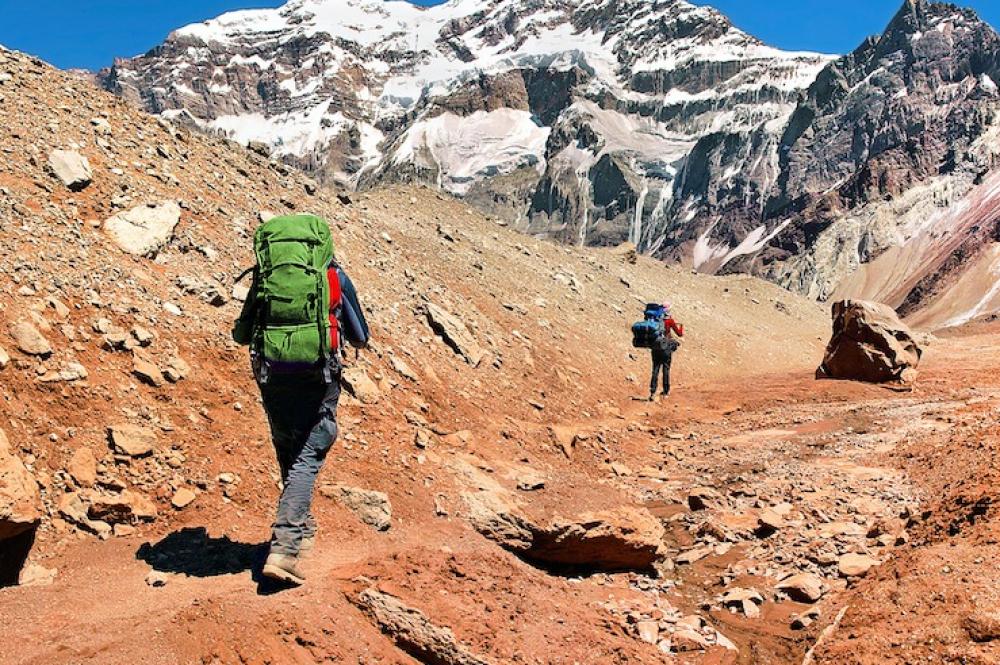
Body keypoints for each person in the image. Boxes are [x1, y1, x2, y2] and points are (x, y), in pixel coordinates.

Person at [232, 213, 369, 586]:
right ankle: (286, 548)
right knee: (312, 448)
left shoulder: (265, 278)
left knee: (288, 445)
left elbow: (242, 334)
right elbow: (360, 336)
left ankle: (301, 531)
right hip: (317, 375)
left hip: (271, 376)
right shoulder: (333, 277)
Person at [650, 302, 683, 402]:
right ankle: (666, 391)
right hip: (666, 347)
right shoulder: (669, 321)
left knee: (655, 369)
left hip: (655, 347)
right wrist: (681, 326)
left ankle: (652, 391)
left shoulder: (654, 320)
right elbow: (679, 334)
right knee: (666, 368)